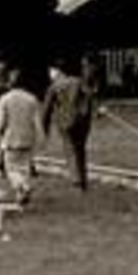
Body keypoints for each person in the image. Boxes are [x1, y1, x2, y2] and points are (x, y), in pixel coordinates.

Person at [44, 62, 96, 190]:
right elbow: (89, 96)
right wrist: (91, 111)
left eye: (51, 72)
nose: (50, 75)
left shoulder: (53, 87)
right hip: (82, 121)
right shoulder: (78, 81)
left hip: (65, 122)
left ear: (58, 72)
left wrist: (44, 129)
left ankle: (76, 179)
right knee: (80, 149)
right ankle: (83, 178)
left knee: (70, 149)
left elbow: (46, 110)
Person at [0, 68, 43, 206]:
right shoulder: (32, 99)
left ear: (10, 83)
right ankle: (21, 196)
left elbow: (0, 123)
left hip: (10, 139)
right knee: (24, 168)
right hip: (27, 139)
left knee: (11, 169)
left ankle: (23, 186)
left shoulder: (4, 99)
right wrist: (41, 137)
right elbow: (37, 122)